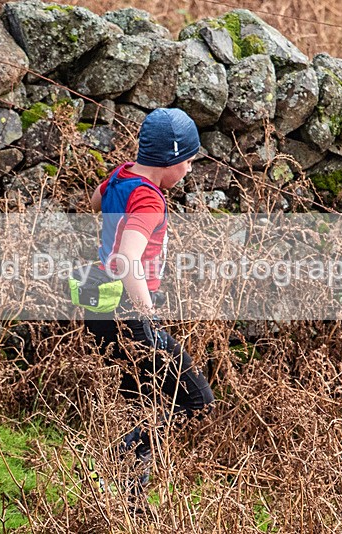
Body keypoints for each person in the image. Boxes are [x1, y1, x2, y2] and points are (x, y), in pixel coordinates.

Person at [84, 108, 215, 497]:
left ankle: (127, 501)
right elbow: (127, 258)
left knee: (139, 403)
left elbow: (95, 201)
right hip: (128, 312)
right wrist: (148, 316)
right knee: (197, 400)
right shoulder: (149, 199)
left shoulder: (121, 175)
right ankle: (111, 462)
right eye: (188, 161)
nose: (189, 170)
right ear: (170, 159)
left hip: (100, 307)